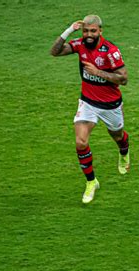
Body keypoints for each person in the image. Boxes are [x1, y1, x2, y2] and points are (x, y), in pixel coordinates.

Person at [50, 15, 130, 204]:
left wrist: (98, 72)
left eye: (93, 31)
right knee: (80, 142)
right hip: (88, 103)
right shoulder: (79, 45)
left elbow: (124, 79)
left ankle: (124, 153)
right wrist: (69, 30)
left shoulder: (111, 51)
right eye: (86, 31)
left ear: (100, 31)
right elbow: (55, 52)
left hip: (110, 105)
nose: (88, 34)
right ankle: (91, 182)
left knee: (118, 136)